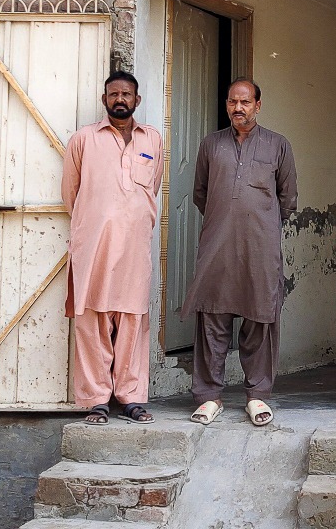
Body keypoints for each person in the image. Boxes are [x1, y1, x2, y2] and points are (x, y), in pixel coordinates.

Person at [180, 78, 296, 427]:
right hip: (218, 246)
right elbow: (201, 192)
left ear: (258, 105)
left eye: (245, 102)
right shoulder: (211, 145)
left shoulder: (278, 145)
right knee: (212, 319)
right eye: (232, 101)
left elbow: (288, 199)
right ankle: (208, 396)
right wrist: (226, 220)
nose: (237, 108)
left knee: (260, 320)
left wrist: (259, 225)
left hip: (260, 250)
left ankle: (258, 396)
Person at [62, 70, 164, 426]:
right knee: (92, 320)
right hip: (93, 247)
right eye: (113, 94)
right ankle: (95, 400)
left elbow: (152, 190)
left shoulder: (153, 140)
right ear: (104, 100)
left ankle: (132, 398)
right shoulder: (83, 140)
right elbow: (70, 194)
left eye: (126, 94)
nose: (120, 99)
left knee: (133, 319)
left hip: (135, 247)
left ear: (137, 100)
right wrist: (94, 226)